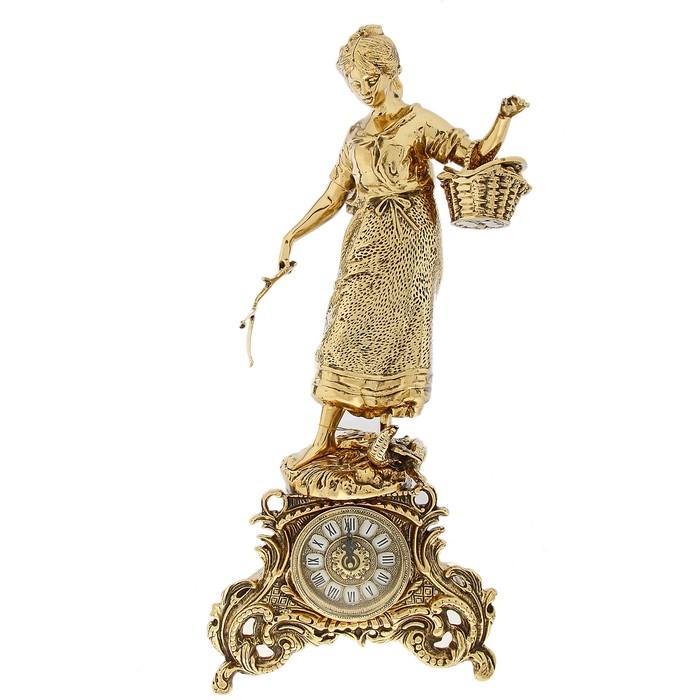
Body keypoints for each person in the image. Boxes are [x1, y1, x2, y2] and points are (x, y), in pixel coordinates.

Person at [278, 25, 527, 468]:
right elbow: (334, 194)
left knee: (398, 330)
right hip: (366, 239)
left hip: (412, 241)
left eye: (369, 79)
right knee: (344, 329)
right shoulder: (355, 134)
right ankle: (323, 439)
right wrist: (291, 234)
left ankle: (385, 435)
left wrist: (503, 118)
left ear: (392, 72)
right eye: (354, 84)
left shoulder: (420, 121)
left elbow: (472, 155)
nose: (362, 90)